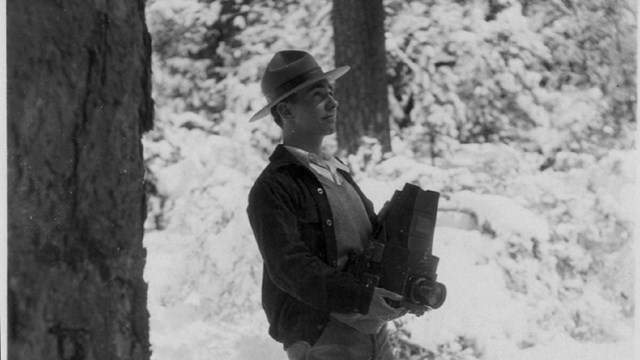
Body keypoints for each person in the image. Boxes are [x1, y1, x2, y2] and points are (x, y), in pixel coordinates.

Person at [246, 50, 406, 360]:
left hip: (373, 334)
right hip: (322, 337)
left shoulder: (338, 171)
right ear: (286, 112)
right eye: (319, 96)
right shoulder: (274, 186)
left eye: (331, 93)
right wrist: (361, 298)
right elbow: (289, 267)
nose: (333, 103)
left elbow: (368, 245)